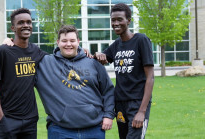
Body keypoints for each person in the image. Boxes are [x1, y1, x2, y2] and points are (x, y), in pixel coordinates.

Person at [35, 25, 115, 139]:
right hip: (60, 130)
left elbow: (108, 90)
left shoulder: (93, 62)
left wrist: (108, 115)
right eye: (64, 41)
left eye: (72, 40)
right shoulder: (45, 64)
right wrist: (9, 42)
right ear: (58, 42)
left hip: (94, 129)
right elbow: (23, 52)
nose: (68, 44)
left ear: (78, 41)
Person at [94, 3, 154, 139]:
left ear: (128, 20)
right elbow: (100, 59)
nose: (116, 23)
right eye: (113, 20)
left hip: (137, 103)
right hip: (120, 102)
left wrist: (142, 111)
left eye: (119, 19)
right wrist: (97, 54)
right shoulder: (116, 45)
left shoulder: (141, 40)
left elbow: (150, 77)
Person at [0, 8, 47, 139]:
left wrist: (82, 50)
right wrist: (1, 118)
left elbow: (59, 56)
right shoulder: (2, 51)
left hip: (30, 121)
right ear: (13, 28)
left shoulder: (35, 50)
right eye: (21, 23)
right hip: (8, 119)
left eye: (29, 22)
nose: (26, 25)